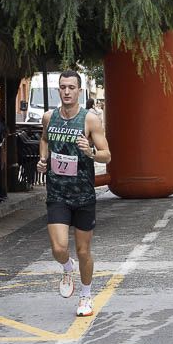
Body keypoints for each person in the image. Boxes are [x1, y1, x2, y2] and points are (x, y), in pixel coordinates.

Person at [36, 70, 112, 317]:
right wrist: (43, 158)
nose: (67, 91)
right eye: (63, 87)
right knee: (58, 248)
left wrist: (90, 152)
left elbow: (107, 154)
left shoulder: (89, 120)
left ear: (79, 90)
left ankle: (86, 295)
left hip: (83, 195)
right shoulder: (49, 117)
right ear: (58, 90)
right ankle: (67, 268)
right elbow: (45, 140)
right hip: (57, 192)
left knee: (83, 251)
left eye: (71, 87)